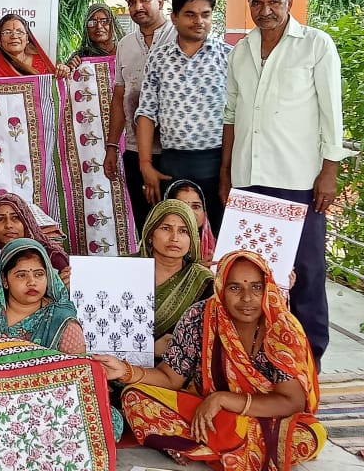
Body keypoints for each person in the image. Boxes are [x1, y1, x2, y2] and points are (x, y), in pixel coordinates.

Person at [220, 0, 351, 367]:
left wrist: (329, 171)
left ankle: (309, 359)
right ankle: (260, 358)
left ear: (289, 2)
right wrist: (226, 172)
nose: (266, 10)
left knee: (307, 271)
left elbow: (332, 113)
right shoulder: (241, 51)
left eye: (274, 1)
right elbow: (231, 115)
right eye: (257, 3)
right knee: (251, 273)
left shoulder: (315, 46)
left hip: (298, 181)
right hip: (248, 183)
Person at [98, 251, 325, 470]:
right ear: (220, 288)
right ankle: (229, 447)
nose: (247, 298)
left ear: (267, 288)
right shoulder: (199, 318)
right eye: (235, 287)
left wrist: (223, 399)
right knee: (134, 398)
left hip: (264, 415)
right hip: (206, 411)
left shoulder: (281, 327)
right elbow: (170, 378)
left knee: (307, 436)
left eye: (256, 287)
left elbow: (292, 402)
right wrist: (125, 371)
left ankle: (202, 445)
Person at [0, 238, 127, 440]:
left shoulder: (61, 320)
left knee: (101, 420)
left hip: (44, 405)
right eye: (21, 275)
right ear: (4, 280)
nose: (32, 282)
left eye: (39, 274)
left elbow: (75, 380)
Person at [135, 0, 231, 233]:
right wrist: (146, 165)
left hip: (219, 163)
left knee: (222, 238)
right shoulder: (159, 58)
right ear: (174, 17)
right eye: (190, 14)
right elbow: (145, 112)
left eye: (205, 14)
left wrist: (228, 170)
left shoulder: (229, 57)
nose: (199, 21)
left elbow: (238, 116)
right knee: (176, 239)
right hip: (172, 166)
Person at [104, 0, 177, 231]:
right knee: (147, 225)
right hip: (136, 151)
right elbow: (119, 98)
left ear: (160, 0)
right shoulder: (125, 45)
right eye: (131, 2)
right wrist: (112, 146)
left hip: (175, 152)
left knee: (178, 225)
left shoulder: (180, 38)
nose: (137, 7)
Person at [135, 199, 214, 359]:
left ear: (192, 238)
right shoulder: (120, 268)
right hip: (115, 363)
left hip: (176, 370)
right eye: (166, 228)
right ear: (150, 233)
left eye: (184, 231)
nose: (174, 238)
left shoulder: (203, 282)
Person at [0, 192, 70, 285]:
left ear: (26, 222)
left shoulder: (52, 257)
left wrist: (61, 288)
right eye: (0, 219)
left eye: (15, 218)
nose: (8, 225)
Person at [0, 12, 70, 78]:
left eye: (19, 32)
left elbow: (55, 89)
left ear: (27, 38)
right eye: (7, 32)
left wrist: (62, 72)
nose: (14, 36)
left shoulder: (42, 62)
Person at [164, 179, 215, 265]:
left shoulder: (219, 247)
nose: (190, 212)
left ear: (204, 212)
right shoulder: (157, 243)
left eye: (196, 206)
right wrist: (196, 271)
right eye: (182, 206)